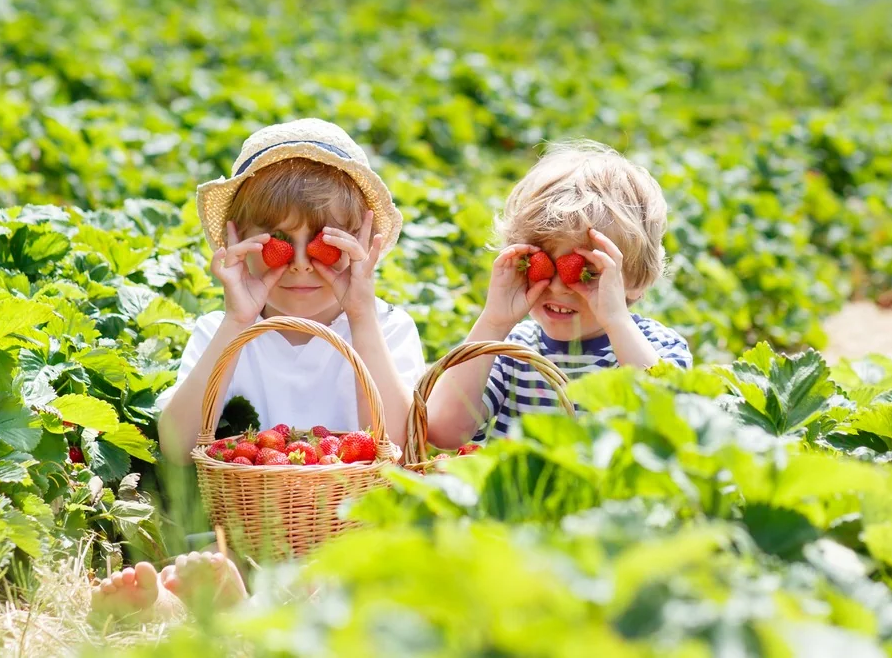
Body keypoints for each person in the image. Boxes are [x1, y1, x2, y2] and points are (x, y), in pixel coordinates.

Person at [92, 119, 426, 623]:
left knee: (367, 573)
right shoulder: (221, 331)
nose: (297, 263)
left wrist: (359, 313)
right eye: (275, 240)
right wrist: (238, 317)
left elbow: (399, 445)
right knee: (205, 556)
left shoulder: (386, 329)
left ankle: (229, 607)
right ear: (235, 243)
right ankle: (192, 598)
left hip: (348, 535)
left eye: (324, 244)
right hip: (239, 536)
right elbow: (177, 444)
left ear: (364, 242)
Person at [425, 140, 692, 447]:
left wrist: (617, 321)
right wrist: (493, 322)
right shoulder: (513, 350)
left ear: (636, 280)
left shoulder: (657, 347)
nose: (557, 285)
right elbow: (442, 431)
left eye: (588, 272)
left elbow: (669, 425)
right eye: (540, 265)